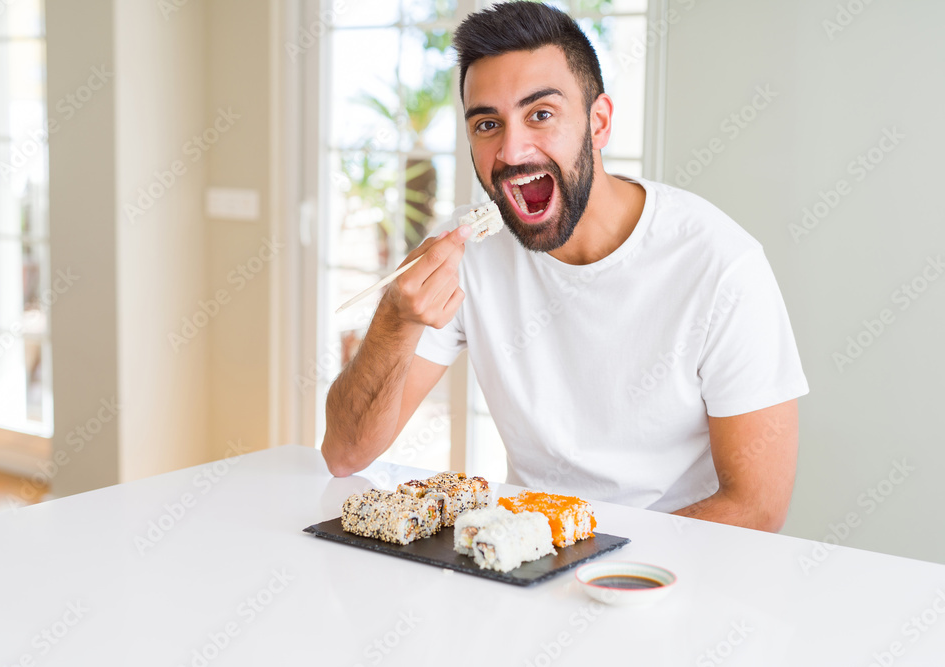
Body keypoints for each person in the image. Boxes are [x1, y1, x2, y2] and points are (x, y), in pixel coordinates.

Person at [321, 1, 808, 532]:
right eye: (488, 124)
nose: (512, 150)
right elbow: (344, 454)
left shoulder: (722, 265)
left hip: (661, 569)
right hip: (525, 556)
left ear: (598, 122)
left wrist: (578, 552)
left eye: (541, 115)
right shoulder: (468, 251)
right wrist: (396, 318)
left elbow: (757, 507)